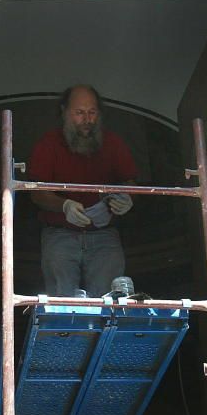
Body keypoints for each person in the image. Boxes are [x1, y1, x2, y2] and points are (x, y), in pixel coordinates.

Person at [27, 85, 138, 297]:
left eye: (92, 112)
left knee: (110, 302)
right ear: (64, 112)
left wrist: (127, 198)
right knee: (62, 303)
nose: (87, 119)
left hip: (105, 236)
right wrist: (64, 205)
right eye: (79, 113)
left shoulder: (113, 142)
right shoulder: (48, 143)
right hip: (59, 234)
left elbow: (129, 181)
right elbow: (36, 192)